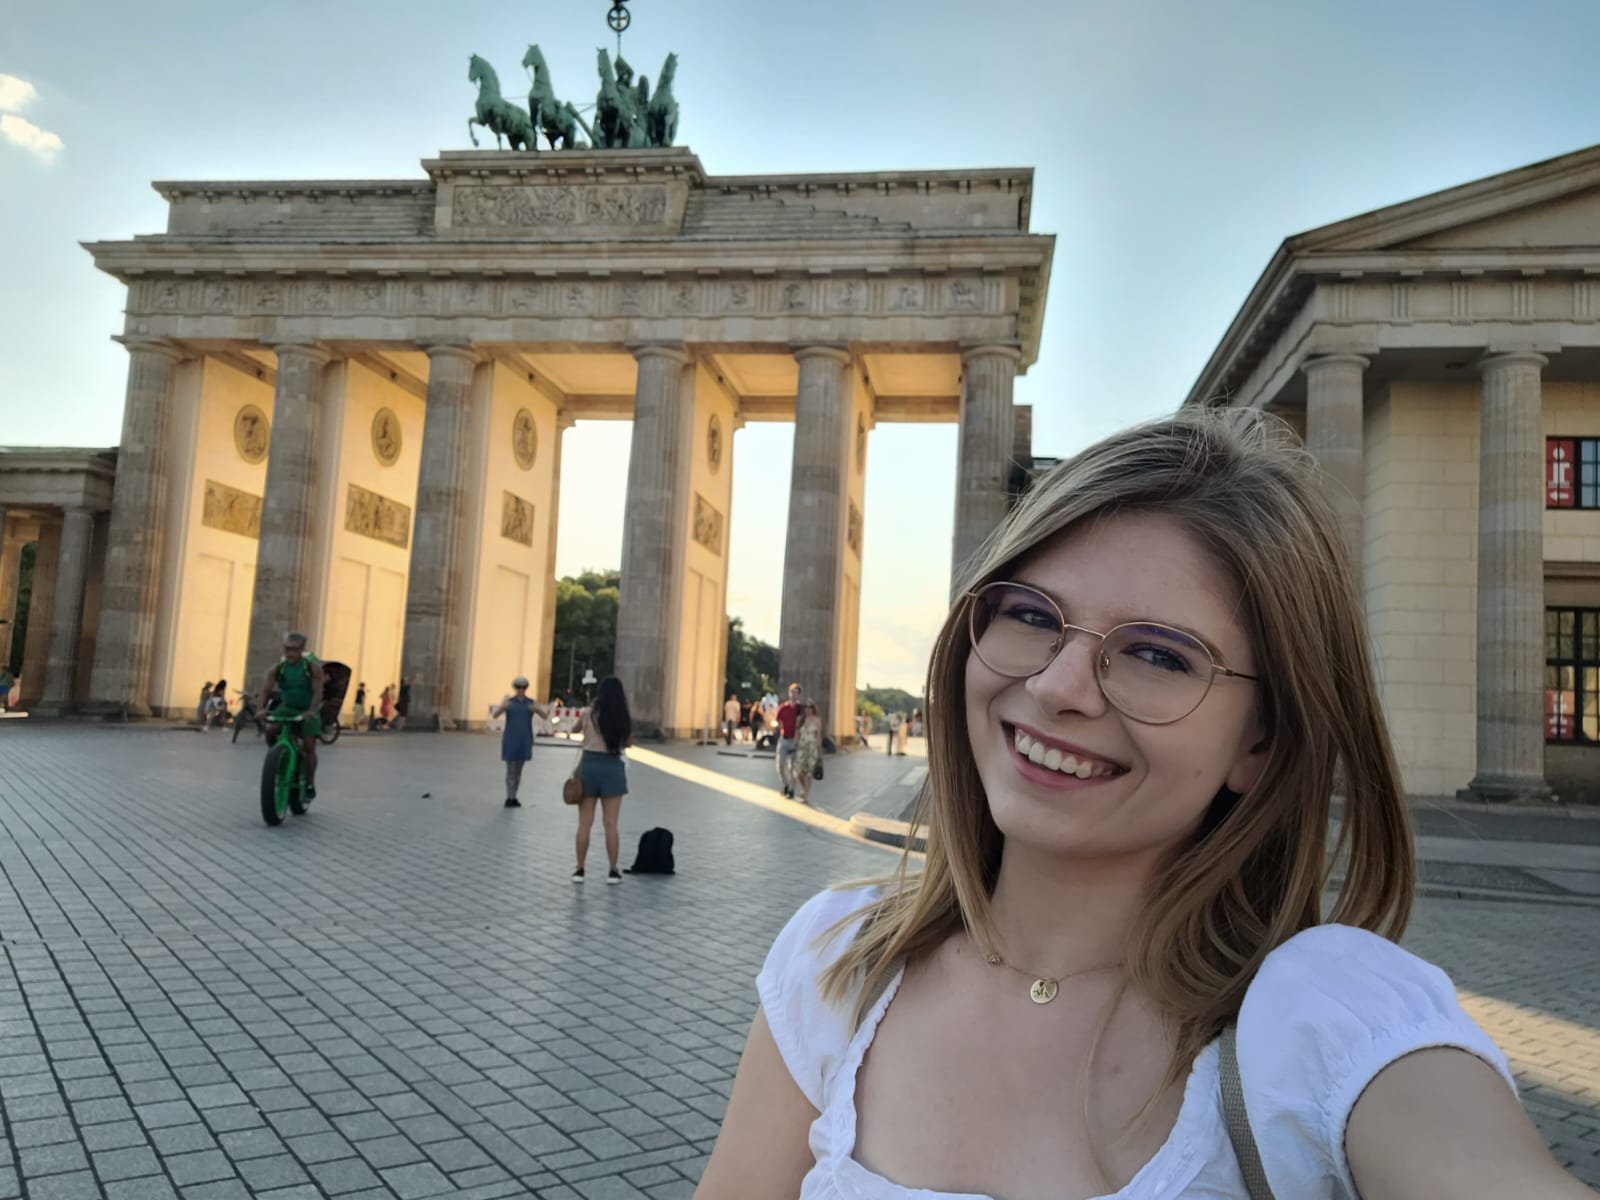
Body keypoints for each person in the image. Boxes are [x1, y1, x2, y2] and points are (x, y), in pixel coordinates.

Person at [695, 408, 1592, 1200]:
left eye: (1160, 655)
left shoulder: (1323, 1027)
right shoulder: (838, 964)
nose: (1058, 687)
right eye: (1032, 614)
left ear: (1261, 741)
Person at [571, 676, 632, 884]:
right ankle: (613, 871)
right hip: (612, 768)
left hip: (589, 768)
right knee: (611, 824)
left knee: (584, 824)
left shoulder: (588, 713)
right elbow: (628, 743)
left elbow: (573, 730)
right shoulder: (622, 716)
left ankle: (579, 870)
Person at [258, 633, 324, 800]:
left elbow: (317, 691)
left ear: (301, 650)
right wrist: (261, 709)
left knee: (309, 747)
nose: (290, 654)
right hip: (286, 708)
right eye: (287, 649)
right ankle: (278, 758)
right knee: (270, 732)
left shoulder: (311, 668)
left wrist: (312, 710)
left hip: (306, 709)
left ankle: (309, 783)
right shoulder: (278, 668)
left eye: (294, 650)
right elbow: (266, 690)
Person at [490, 676, 541, 808]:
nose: (521, 690)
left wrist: (537, 709)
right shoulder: (510, 702)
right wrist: (503, 706)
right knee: (510, 770)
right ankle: (509, 796)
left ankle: (514, 796)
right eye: (519, 687)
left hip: (524, 740)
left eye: (524, 687)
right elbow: (495, 715)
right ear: (515, 688)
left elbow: (545, 715)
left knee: (518, 771)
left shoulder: (530, 703)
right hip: (511, 739)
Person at [773, 683, 802, 798]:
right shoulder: (783, 707)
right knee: (780, 765)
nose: (793, 694)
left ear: (799, 695)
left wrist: (796, 739)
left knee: (792, 767)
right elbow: (778, 720)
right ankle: (785, 784)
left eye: (796, 692)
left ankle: (791, 789)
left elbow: (800, 725)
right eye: (792, 692)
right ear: (789, 693)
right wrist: (781, 727)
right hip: (784, 739)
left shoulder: (800, 708)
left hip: (795, 740)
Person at [791, 701, 822, 805]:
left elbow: (818, 735)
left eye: (810, 707)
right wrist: (794, 745)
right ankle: (804, 788)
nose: (808, 709)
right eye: (806, 707)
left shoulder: (817, 720)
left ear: (813, 709)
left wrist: (819, 750)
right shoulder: (800, 719)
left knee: (809, 772)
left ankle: (806, 796)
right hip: (801, 747)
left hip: (812, 747)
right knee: (799, 771)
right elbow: (797, 733)